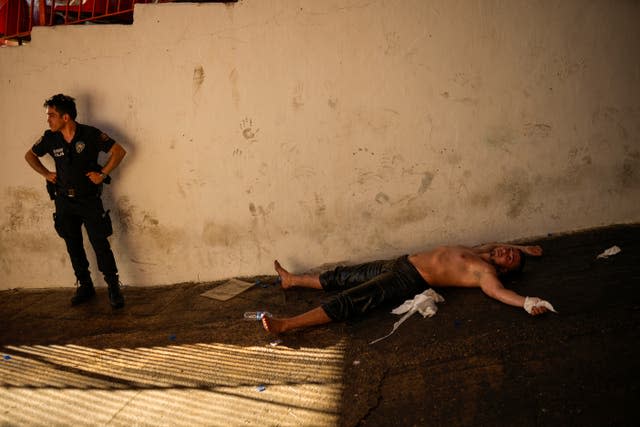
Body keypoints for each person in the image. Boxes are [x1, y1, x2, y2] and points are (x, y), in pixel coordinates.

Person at [262, 243, 554, 334]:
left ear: (504, 269)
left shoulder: (485, 271)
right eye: (509, 250)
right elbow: (502, 248)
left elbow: (498, 292)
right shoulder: (484, 252)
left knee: (351, 299)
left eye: (511, 258)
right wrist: (522, 248)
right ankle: (292, 280)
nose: (506, 252)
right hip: (401, 263)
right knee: (344, 276)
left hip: (408, 278)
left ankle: (287, 324)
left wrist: (527, 302)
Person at [25, 94, 127, 308]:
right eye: (48, 116)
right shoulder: (49, 138)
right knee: (73, 245)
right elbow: (30, 156)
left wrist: (102, 174)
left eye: (51, 115)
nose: (48, 120)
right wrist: (46, 174)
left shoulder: (90, 134)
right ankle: (85, 286)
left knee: (100, 244)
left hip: (89, 200)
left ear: (66, 117)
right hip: (63, 201)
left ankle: (113, 287)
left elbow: (119, 151)